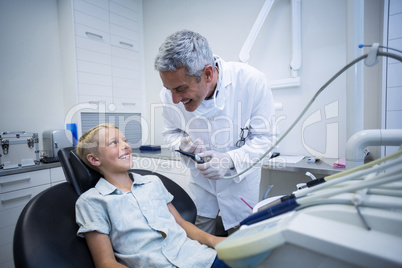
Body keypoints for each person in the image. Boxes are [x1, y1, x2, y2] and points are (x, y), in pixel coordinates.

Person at [154, 30, 277, 234]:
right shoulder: (170, 94)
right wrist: (182, 144)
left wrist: (229, 160)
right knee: (197, 240)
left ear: (208, 73)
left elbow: (266, 139)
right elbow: (171, 133)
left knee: (241, 246)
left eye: (181, 89)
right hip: (200, 186)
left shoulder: (251, 82)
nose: (174, 99)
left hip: (240, 186)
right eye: (169, 90)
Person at [75, 123, 228, 267]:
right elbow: (106, 263)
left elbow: (181, 224)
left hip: (201, 258)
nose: (126, 146)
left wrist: (214, 241)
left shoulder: (152, 182)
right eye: (114, 143)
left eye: (125, 140)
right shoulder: (91, 202)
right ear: (94, 159)